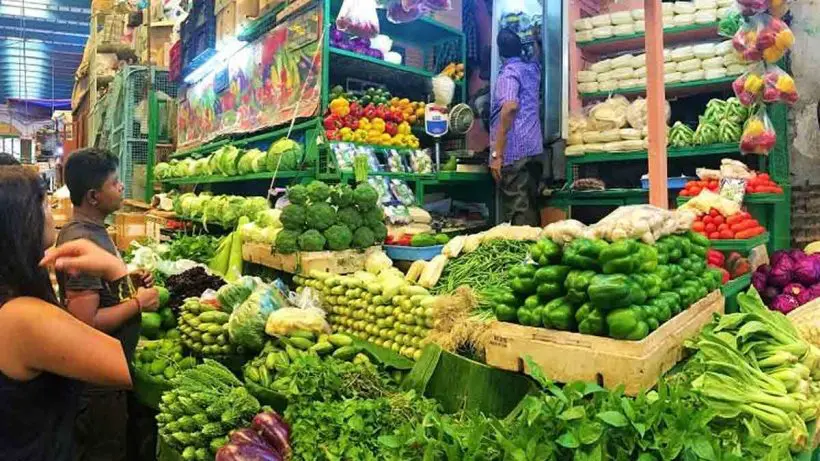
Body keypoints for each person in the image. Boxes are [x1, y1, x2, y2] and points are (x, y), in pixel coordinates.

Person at [0, 166, 134, 461]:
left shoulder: (13, 299)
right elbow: (124, 366)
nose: (52, 213)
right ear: (23, 221)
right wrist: (117, 272)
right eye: (45, 204)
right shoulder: (22, 317)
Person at [57, 148, 159, 461]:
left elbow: (98, 292)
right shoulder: (83, 244)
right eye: (115, 183)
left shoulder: (93, 232)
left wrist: (126, 281)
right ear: (93, 196)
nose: (122, 187)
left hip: (106, 377)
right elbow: (84, 323)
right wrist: (138, 304)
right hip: (97, 386)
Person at [489, 27, 544, 226]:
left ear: (500, 52)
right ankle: (535, 252)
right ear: (521, 49)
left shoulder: (508, 74)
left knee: (518, 210)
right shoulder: (532, 69)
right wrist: (537, 40)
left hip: (514, 151)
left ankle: (523, 254)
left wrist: (497, 154)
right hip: (534, 148)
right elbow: (537, 58)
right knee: (531, 205)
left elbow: (510, 107)